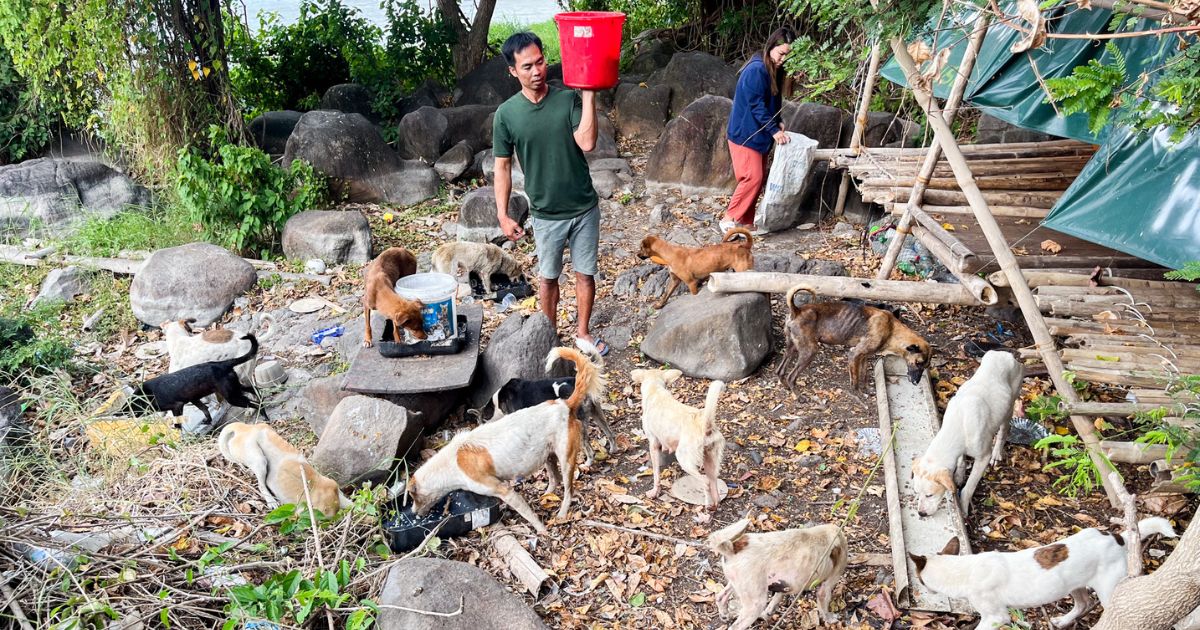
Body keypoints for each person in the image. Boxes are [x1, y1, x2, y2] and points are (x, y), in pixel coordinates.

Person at [493, 32, 608, 356]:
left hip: (584, 206)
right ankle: (549, 336)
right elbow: (501, 167)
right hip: (545, 213)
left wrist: (587, 96)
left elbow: (587, 142)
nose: (537, 71)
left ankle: (583, 333)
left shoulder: (566, 99)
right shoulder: (507, 114)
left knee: (585, 274)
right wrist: (503, 214)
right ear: (513, 72)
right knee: (548, 279)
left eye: (540, 62)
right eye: (527, 66)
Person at [720, 27, 795, 235]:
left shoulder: (772, 69)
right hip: (745, 134)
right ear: (771, 47)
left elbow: (774, 99)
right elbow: (756, 105)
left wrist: (778, 120)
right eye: (781, 54)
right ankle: (729, 218)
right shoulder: (756, 70)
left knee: (757, 178)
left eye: (787, 56)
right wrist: (774, 130)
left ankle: (745, 223)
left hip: (758, 133)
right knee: (752, 177)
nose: (782, 60)